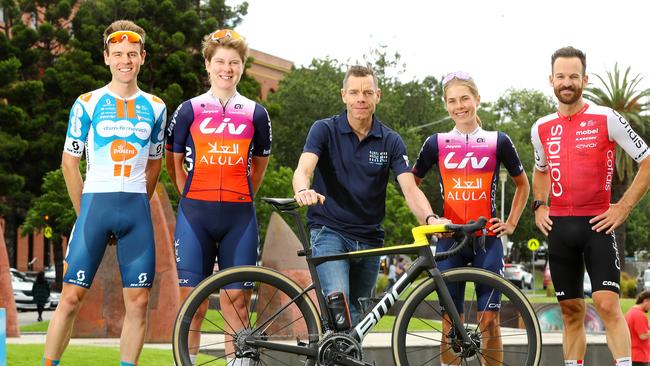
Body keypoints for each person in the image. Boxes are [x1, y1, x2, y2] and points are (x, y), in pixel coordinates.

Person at [43, 20, 166, 366]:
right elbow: (69, 163)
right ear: (106, 58)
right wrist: (84, 213)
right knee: (70, 298)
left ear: (142, 57)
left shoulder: (156, 107)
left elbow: (155, 163)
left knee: (139, 302)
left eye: (131, 54)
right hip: (95, 205)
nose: (124, 60)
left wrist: (140, 199)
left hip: (135, 209)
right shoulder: (86, 103)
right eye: (117, 54)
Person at [293, 65, 447, 326]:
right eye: (354, 92)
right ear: (344, 95)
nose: (360, 99)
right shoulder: (324, 130)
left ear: (378, 95)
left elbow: (409, 188)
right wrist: (302, 190)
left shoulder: (391, 141)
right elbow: (303, 169)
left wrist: (430, 219)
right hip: (329, 231)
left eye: (367, 92)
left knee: (359, 321)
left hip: (370, 240)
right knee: (338, 307)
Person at [531, 46, 650, 366]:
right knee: (571, 311)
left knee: (608, 304)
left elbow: (648, 161)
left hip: (598, 223)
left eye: (573, 76)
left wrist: (622, 208)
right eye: (560, 76)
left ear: (584, 79)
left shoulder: (606, 118)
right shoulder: (540, 127)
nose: (566, 82)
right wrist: (539, 206)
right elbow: (540, 170)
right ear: (551, 80)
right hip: (559, 228)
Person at [165, 29, 271, 365]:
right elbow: (173, 161)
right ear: (208, 65)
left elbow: (259, 167)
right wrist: (190, 192)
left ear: (242, 67)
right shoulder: (189, 110)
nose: (227, 68)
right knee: (192, 307)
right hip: (195, 215)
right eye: (220, 61)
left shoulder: (256, 113)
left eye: (234, 63)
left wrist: (240, 193)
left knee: (237, 303)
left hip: (239, 217)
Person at [412, 71, 529, 365]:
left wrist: (511, 223)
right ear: (446, 105)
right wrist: (430, 218)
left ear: (477, 99)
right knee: (450, 325)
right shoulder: (435, 142)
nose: (459, 106)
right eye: (452, 101)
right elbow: (410, 182)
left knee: (490, 323)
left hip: (486, 241)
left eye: (465, 98)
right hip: (449, 240)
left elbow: (523, 184)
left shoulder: (497, 141)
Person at [626, 291, 650, 366]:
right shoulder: (639, 314)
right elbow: (643, 335)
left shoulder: (630, 312)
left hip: (632, 355)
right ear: (646, 300)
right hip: (639, 357)